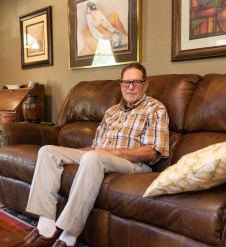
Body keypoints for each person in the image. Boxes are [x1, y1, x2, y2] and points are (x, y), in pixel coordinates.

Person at [23, 63, 169, 247]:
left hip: (135, 165)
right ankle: (46, 228)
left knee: (93, 158)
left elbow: (151, 151)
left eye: (136, 82)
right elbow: (95, 147)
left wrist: (108, 152)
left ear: (145, 85)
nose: (130, 87)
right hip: (100, 157)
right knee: (48, 151)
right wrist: (70, 154)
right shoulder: (111, 111)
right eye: (126, 82)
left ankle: (68, 236)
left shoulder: (156, 109)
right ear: (121, 84)